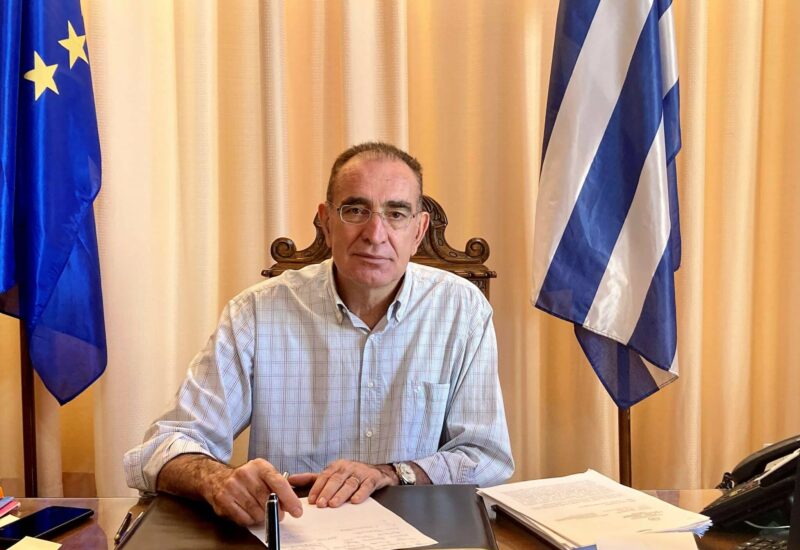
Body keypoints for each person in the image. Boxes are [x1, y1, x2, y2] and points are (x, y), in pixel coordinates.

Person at [123, 142, 513, 527]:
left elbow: (486, 457)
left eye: (396, 213)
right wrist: (218, 480)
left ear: (418, 230)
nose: (375, 234)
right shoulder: (256, 312)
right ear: (326, 222)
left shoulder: (462, 309)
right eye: (355, 210)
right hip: (293, 532)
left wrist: (393, 473)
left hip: (417, 534)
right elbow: (161, 447)